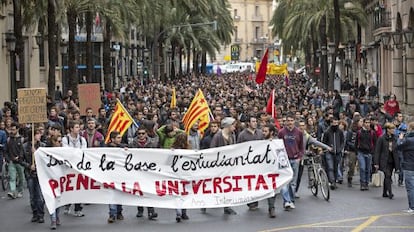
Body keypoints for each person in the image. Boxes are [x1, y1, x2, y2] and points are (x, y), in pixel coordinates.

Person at [209, 117, 238, 215]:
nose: (235, 127)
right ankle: (206, 203)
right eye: (233, 125)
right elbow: (212, 150)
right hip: (218, 165)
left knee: (227, 185)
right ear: (228, 126)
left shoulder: (232, 136)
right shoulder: (217, 136)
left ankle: (227, 206)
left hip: (228, 165)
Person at [128, 127, 158, 220]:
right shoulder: (132, 143)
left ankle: (151, 211)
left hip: (148, 171)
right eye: (139, 133)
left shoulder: (152, 143)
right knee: (139, 191)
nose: (141, 135)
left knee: (149, 191)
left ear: (146, 134)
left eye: (143, 133)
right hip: (137, 171)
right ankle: (140, 210)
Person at [278, 112, 304, 210]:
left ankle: (291, 200)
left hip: (295, 159)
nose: (289, 123)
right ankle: (286, 201)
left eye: (291, 121)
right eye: (288, 121)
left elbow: (301, 147)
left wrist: (299, 157)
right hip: (284, 160)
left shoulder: (299, 132)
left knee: (293, 182)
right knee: (284, 182)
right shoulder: (281, 132)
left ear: (294, 121)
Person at [237, 115, 263, 210]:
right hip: (248, 162)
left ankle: (256, 200)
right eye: (253, 121)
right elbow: (239, 148)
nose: (255, 123)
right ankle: (251, 202)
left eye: (256, 121)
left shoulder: (260, 133)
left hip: (259, 162)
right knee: (250, 183)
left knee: (258, 182)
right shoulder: (242, 135)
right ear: (248, 123)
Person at [61, 120, 87, 217]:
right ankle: (67, 205)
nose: (78, 129)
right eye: (76, 127)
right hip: (68, 167)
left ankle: (78, 209)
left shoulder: (82, 140)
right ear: (71, 129)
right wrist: (75, 153)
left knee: (79, 188)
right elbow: (66, 151)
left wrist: (75, 153)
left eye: (79, 127)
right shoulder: (65, 139)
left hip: (79, 167)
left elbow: (84, 152)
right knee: (69, 187)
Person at [374, 123, 399, 199]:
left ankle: (385, 192)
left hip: (392, 160)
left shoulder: (395, 138)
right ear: (388, 129)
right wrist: (376, 163)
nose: (393, 130)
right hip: (384, 160)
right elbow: (377, 151)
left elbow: (397, 148)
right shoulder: (381, 138)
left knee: (388, 176)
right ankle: (390, 192)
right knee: (387, 175)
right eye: (392, 129)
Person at [106, 131, 126, 223]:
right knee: (111, 194)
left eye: (120, 137)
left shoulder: (122, 147)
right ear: (112, 139)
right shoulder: (106, 148)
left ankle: (119, 212)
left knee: (119, 194)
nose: (120, 139)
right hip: (110, 174)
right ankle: (112, 214)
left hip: (120, 174)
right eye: (118, 138)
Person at [171, 133, 190, 222]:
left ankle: (179, 212)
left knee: (178, 194)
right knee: (184, 194)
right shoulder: (188, 149)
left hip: (178, 175)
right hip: (183, 175)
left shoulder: (173, 150)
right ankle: (183, 212)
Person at [322, 117, 345, 189]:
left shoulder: (340, 132)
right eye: (334, 123)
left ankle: (334, 181)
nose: (335, 124)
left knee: (335, 167)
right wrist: (326, 149)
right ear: (331, 123)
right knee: (330, 167)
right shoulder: (327, 132)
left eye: (336, 123)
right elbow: (324, 142)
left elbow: (342, 141)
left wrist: (340, 149)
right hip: (329, 152)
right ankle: (332, 181)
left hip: (338, 152)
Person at [397, 121, 414, 214]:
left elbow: (399, 147)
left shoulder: (408, 140)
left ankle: (412, 207)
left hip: (409, 166)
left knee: (410, 188)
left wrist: (400, 139)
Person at [356, 118, 377, 191]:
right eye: (366, 123)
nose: (368, 124)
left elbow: (375, 143)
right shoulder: (359, 132)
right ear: (364, 123)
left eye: (369, 123)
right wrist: (357, 152)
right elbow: (356, 142)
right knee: (362, 167)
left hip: (369, 152)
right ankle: (362, 183)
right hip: (361, 152)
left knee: (368, 169)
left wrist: (373, 153)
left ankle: (366, 183)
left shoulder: (372, 133)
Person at [262, 123, 278, 218]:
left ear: (271, 132)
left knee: (272, 189)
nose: (263, 133)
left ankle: (271, 207)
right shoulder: (260, 142)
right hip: (263, 169)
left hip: (273, 169)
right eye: (263, 131)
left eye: (265, 131)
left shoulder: (276, 142)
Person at [5, 122, 25, 199]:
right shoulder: (9, 139)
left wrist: (19, 157)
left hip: (20, 162)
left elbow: (23, 151)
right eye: (11, 129)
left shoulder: (22, 139)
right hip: (11, 161)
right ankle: (13, 191)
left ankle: (20, 191)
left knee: (21, 178)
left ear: (17, 129)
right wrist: (8, 158)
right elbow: (6, 150)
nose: (12, 131)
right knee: (12, 177)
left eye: (13, 129)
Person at [48, 134, 63, 229]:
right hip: (49, 178)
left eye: (61, 141)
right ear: (53, 142)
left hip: (59, 179)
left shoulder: (62, 151)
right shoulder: (46, 151)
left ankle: (56, 216)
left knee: (58, 199)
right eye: (58, 141)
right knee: (51, 199)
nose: (60, 143)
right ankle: (53, 219)